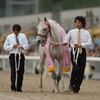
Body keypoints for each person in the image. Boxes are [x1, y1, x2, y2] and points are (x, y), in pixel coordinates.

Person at [63, 16, 92, 93]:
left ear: (82, 23)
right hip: (74, 52)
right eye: (76, 22)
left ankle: (76, 87)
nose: (77, 24)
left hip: (82, 52)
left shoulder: (86, 33)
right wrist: (65, 42)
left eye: (78, 22)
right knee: (75, 68)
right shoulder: (71, 32)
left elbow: (89, 43)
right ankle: (71, 84)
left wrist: (80, 44)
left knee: (81, 71)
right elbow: (66, 39)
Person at [3, 24, 29, 92]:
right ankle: (13, 86)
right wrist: (12, 46)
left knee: (21, 72)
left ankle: (19, 88)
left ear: (19, 31)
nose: (16, 33)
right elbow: (5, 47)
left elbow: (27, 46)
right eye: (15, 32)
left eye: (17, 32)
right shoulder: (9, 37)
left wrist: (23, 47)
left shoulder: (23, 36)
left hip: (20, 55)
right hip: (12, 55)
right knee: (13, 71)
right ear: (13, 31)